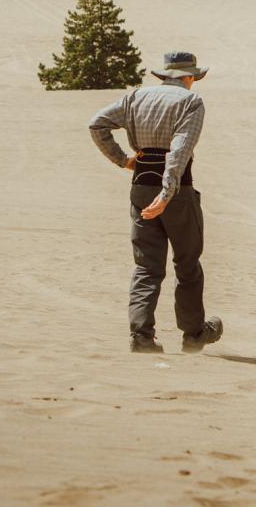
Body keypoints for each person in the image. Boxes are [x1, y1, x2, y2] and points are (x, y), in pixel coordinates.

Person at [89, 51, 223, 355]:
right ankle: (194, 334)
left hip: (140, 186)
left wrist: (123, 160)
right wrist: (166, 194)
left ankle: (141, 337)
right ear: (189, 78)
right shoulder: (190, 102)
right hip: (176, 191)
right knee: (187, 263)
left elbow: (96, 125)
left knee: (146, 266)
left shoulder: (135, 98)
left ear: (164, 75)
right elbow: (179, 151)